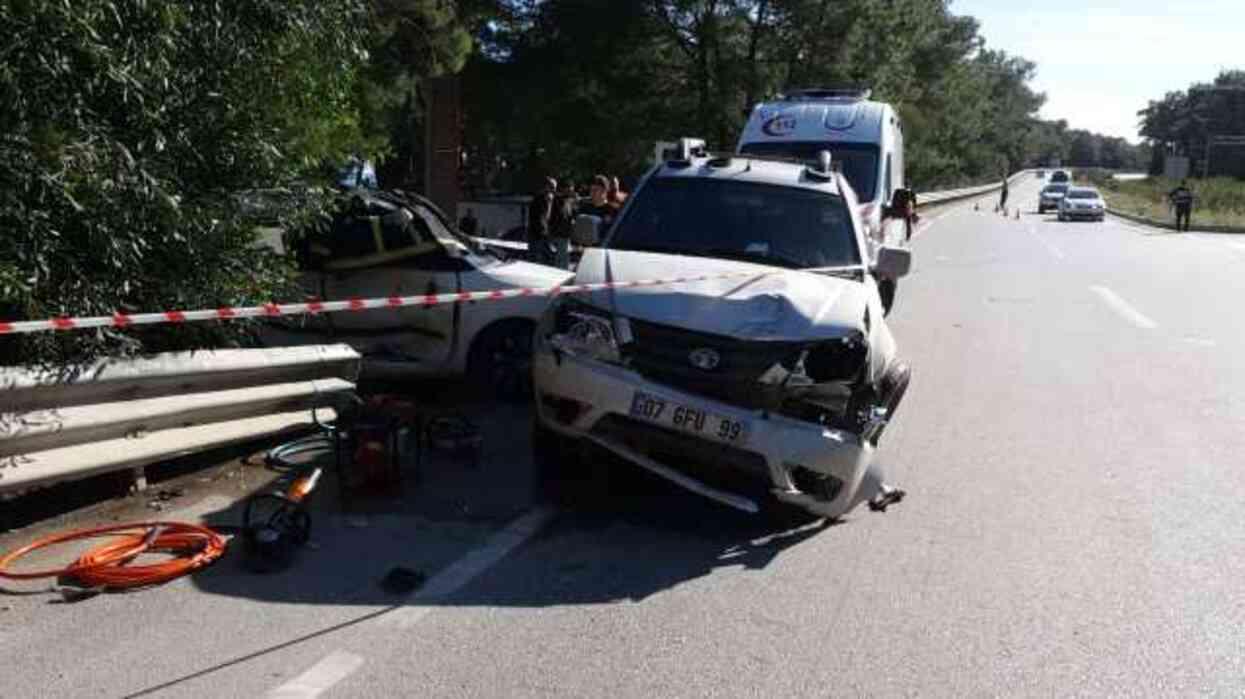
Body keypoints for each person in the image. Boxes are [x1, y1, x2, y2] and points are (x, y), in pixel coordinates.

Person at [549, 179, 578, 269]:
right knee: (561, 259)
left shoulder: (570, 201)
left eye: (572, 189)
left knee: (563, 258)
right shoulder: (558, 200)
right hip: (559, 234)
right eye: (569, 189)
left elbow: (572, 215)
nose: (571, 191)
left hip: (565, 235)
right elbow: (555, 217)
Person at [527, 177, 557, 265]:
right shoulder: (539, 200)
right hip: (538, 236)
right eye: (552, 187)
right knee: (537, 261)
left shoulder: (548, 200)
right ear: (546, 187)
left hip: (541, 235)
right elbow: (540, 219)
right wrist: (546, 233)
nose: (554, 190)